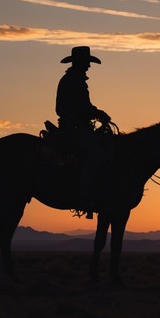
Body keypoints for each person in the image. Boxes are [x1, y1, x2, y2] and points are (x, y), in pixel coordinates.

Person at [56, 46, 111, 211]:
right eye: (86, 62)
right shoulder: (74, 81)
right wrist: (96, 113)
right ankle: (83, 195)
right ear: (79, 63)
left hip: (75, 125)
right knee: (96, 154)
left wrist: (95, 112)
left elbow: (84, 106)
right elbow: (77, 107)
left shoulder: (74, 80)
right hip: (74, 127)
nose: (88, 66)